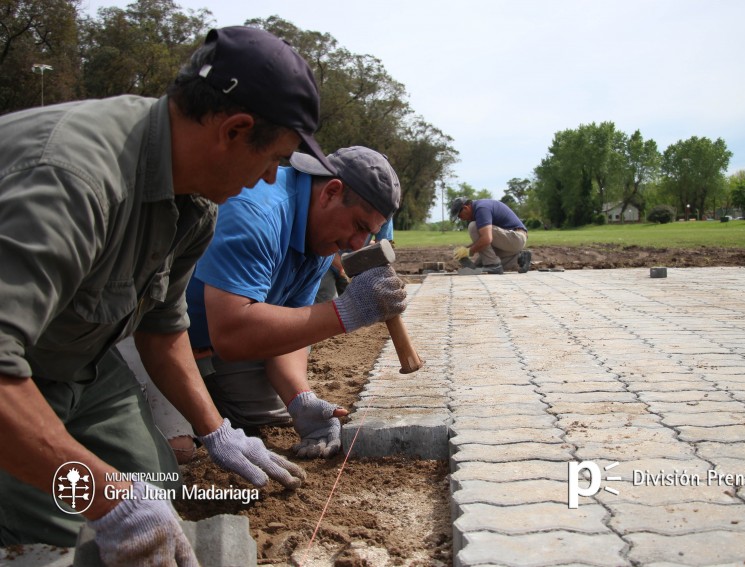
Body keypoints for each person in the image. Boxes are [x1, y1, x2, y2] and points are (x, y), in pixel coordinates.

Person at [0, 25, 337, 564]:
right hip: (14, 376)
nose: (267, 179)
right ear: (235, 130)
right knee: (68, 530)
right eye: (273, 160)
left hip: (75, 359)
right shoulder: (73, 179)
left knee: (159, 486)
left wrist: (217, 431)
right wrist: (108, 498)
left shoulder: (194, 202)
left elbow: (162, 326)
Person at [186, 146, 405, 460]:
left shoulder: (319, 236)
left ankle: (208, 394)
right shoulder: (257, 213)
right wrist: (349, 311)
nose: (356, 245)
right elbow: (232, 334)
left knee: (267, 416)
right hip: (165, 340)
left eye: (369, 234)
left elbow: (289, 332)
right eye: (359, 226)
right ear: (331, 192)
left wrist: (301, 399)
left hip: (219, 341)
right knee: (182, 449)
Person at [449, 197, 532, 273]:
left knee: (473, 226)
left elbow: (486, 239)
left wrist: (469, 251)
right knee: (480, 265)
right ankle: (520, 257)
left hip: (516, 238)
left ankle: (493, 265)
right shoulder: (479, 208)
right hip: (511, 241)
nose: (462, 219)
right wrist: (465, 249)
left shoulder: (481, 209)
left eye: (460, 216)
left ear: (465, 208)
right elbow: (484, 239)